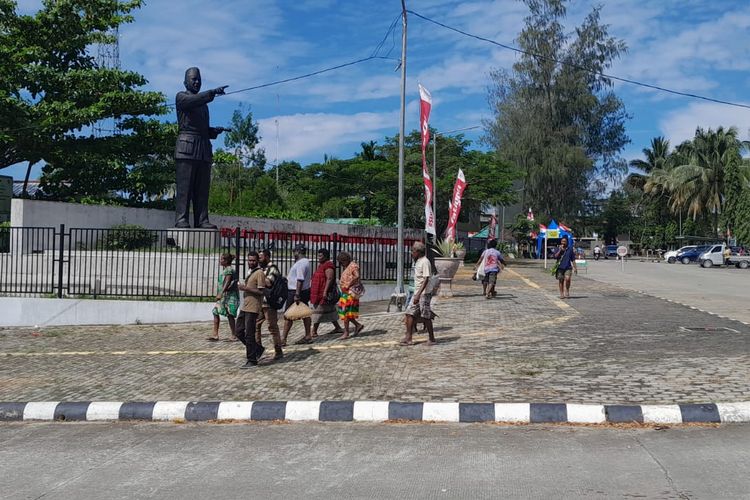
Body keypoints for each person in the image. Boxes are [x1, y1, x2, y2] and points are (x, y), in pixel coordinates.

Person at [174, 67, 229, 228]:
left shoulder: (204, 105)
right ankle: (181, 219)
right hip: (187, 148)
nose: (197, 82)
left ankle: (202, 220)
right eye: (193, 79)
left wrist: (213, 131)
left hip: (203, 148)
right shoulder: (182, 97)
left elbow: (201, 128)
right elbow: (193, 101)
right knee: (185, 189)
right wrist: (212, 93)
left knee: (202, 190)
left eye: (199, 79)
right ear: (185, 82)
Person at [400, 242, 437, 346]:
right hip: (417, 292)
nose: (412, 253)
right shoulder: (418, 261)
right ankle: (408, 337)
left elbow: (426, 279)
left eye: (413, 251)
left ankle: (432, 338)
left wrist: (418, 294)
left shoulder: (425, 262)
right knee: (409, 313)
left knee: (426, 316)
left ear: (418, 252)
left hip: (424, 294)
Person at [235, 251, 265, 368]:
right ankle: (257, 349)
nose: (251, 262)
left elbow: (261, 291)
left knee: (249, 334)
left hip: (253, 306)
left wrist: (245, 288)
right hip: (245, 305)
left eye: (253, 260)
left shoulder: (259, 273)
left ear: (257, 261)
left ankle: (252, 359)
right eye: (249, 260)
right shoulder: (250, 272)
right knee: (238, 331)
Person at [256, 249, 284, 361]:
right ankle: (257, 350)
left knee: (272, 326)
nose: (259, 260)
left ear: (267, 257)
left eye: (261, 257)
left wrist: (258, 277)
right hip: (259, 301)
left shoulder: (273, 268)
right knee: (255, 326)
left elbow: (268, 283)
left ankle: (278, 350)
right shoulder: (260, 269)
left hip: (269, 302)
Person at [282, 244, 313, 345]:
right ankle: (308, 335)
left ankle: (283, 339)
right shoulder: (305, 262)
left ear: (297, 252)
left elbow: (300, 279)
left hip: (296, 291)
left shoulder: (301, 263)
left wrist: (297, 294)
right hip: (302, 290)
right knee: (305, 313)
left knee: (288, 314)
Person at [309, 248, 344, 338]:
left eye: (321, 256)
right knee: (329, 310)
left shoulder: (328, 265)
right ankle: (338, 327)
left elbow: (329, 278)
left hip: (323, 292)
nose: (319, 257)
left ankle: (314, 331)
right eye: (318, 255)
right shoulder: (321, 265)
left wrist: (325, 291)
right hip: (317, 292)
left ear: (326, 256)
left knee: (318, 311)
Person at [208, 253, 239, 342]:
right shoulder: (225, 269)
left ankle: (234, 335)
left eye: (222, 259)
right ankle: (215, 334)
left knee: (230, 315)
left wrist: (221, 293)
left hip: (229, 296)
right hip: (224, 297)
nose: (220, 261)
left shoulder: (229, 270)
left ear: (226, 261)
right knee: (215, 311)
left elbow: (227, 282)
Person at [336, 251, 365, 340]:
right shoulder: (348, 267)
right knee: (346, 313)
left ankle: (346, 332)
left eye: (342, 262)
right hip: (345, 293)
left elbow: (357, 276)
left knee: (346, 313)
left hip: (349, 294)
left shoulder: (353, 266)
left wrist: (349, 284)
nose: (341, 264)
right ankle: (357, 325)